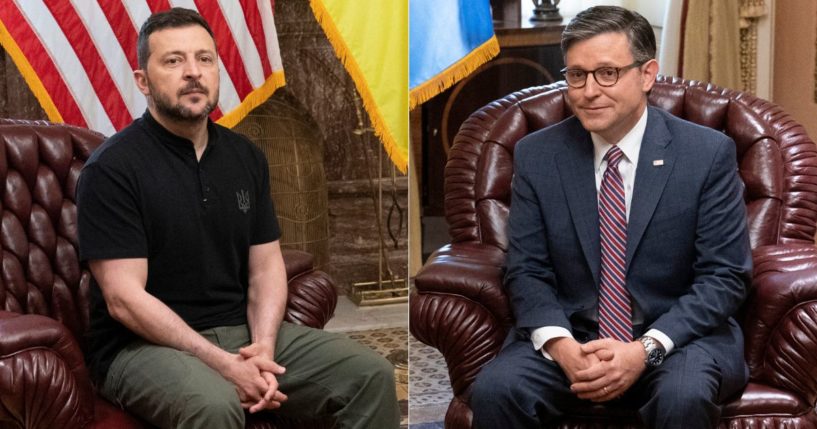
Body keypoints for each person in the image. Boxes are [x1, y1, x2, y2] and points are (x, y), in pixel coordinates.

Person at [76, 8, 399, 429]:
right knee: (213, 406)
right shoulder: (112, 169)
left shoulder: (245, 158)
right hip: (139, 349)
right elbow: (124, 300)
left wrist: (262, 348)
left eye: (204, 59)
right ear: (143, 81)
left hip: (241, 334)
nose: (193, 72)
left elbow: (266, 269)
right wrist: (224, 365)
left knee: (370, 375)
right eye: (173, 61)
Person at [471, 6, 751, 429]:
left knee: (683, 396)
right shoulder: (537, 154)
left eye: (607, 73)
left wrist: (644, 350)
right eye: (576, 75)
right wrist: (561, 346)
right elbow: (526, 270)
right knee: (496, 389)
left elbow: (724, 276)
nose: (588, 91)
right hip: (573, 336)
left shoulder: (706, 154)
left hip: (677, 338)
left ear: (647, 74)